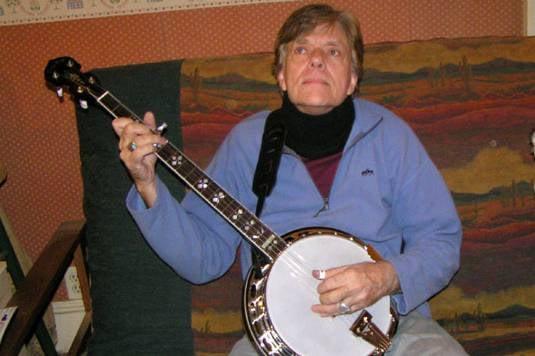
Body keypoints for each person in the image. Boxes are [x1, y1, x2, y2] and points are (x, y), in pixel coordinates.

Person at [112, 4, 467, 355]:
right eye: (301, 49)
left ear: (352, 79)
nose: (316, 59)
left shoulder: (390, 135)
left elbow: (441, 240)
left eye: (332, 51)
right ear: (281, 75)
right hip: (278, 339)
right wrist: (147, 185)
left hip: (390, 326)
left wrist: (386, 277)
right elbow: (203, 259)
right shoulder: (246, 144)